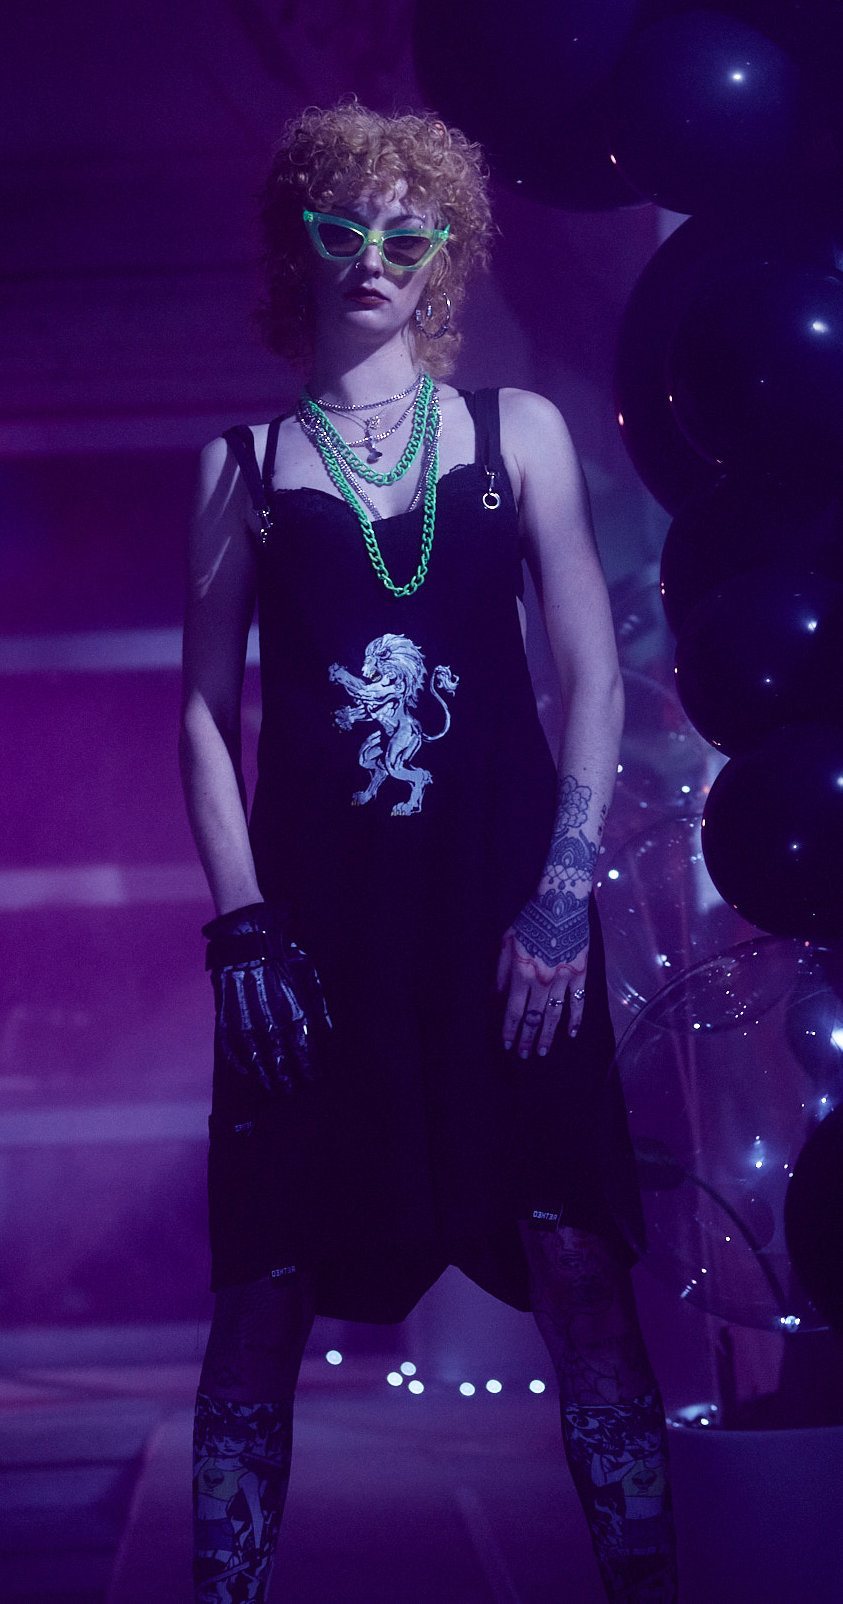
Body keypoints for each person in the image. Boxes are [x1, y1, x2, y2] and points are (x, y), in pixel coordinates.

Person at [180, 100, 676, 1604]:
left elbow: (592, 678)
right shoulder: (243, 465)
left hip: (507, 916)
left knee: (580, 1265)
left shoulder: (515, 433)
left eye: (412, 230)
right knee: (263, 1286)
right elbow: (202, 713)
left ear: (446, 250)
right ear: (301, 239)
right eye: (349, 224)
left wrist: (564, 897)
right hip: (315, 933)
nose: (378, 255)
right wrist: (242, 924)